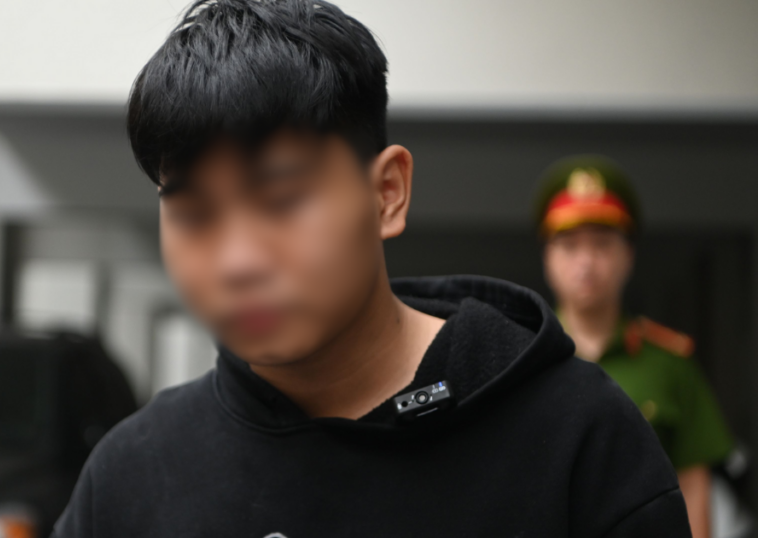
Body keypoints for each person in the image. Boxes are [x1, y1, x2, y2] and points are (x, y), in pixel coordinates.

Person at [53, 1, 691, 536]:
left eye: (281, 201)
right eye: (195, 214)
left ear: (387, 192)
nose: (238, 261)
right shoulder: (131, 475)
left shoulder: (575, 437)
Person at [535, 154, 735, 538]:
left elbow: (693, 490)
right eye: (570, 246)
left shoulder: (670, 364)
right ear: (548, 258)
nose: (586, 262)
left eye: (602, 245)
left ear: (628, 255)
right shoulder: (525, 358)